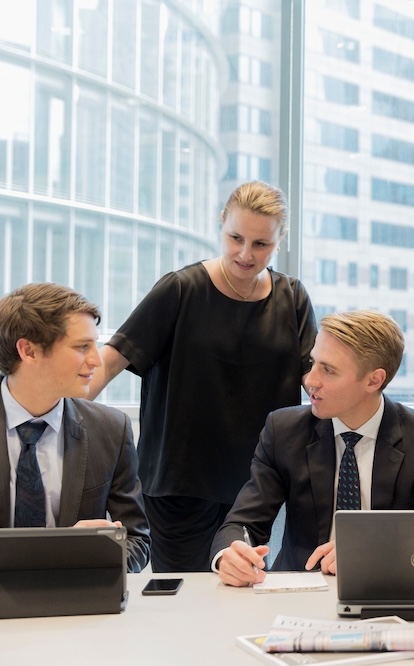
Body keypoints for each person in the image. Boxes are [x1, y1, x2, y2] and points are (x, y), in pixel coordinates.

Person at [85, 181, 317, 572]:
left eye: (261, 244)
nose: (245, 254)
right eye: (236, 238)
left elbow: (318, 379)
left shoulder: (292, 298)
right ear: (221, 225)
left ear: (281, 240)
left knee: (242, 591)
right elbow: (109, 362)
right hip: (180, 483)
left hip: (254, 487)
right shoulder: (181, 289)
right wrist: (53, 415)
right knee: (185, 602)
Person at [211, 310, 414, 586]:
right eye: (313, 363)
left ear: (373, 380)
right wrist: (229, 554)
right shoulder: (283, 430)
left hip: (388, 588)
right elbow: (243, 522)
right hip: (299, 592)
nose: (309, 380)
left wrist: (370, 552)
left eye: (328, 370)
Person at [0, 283, 150, 572]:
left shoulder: (110, 429)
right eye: (82, 347)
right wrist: (62, 549)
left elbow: (136, 539)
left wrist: (94, 554)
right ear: (28, 351)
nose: (96, 359)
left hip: (78, 605)